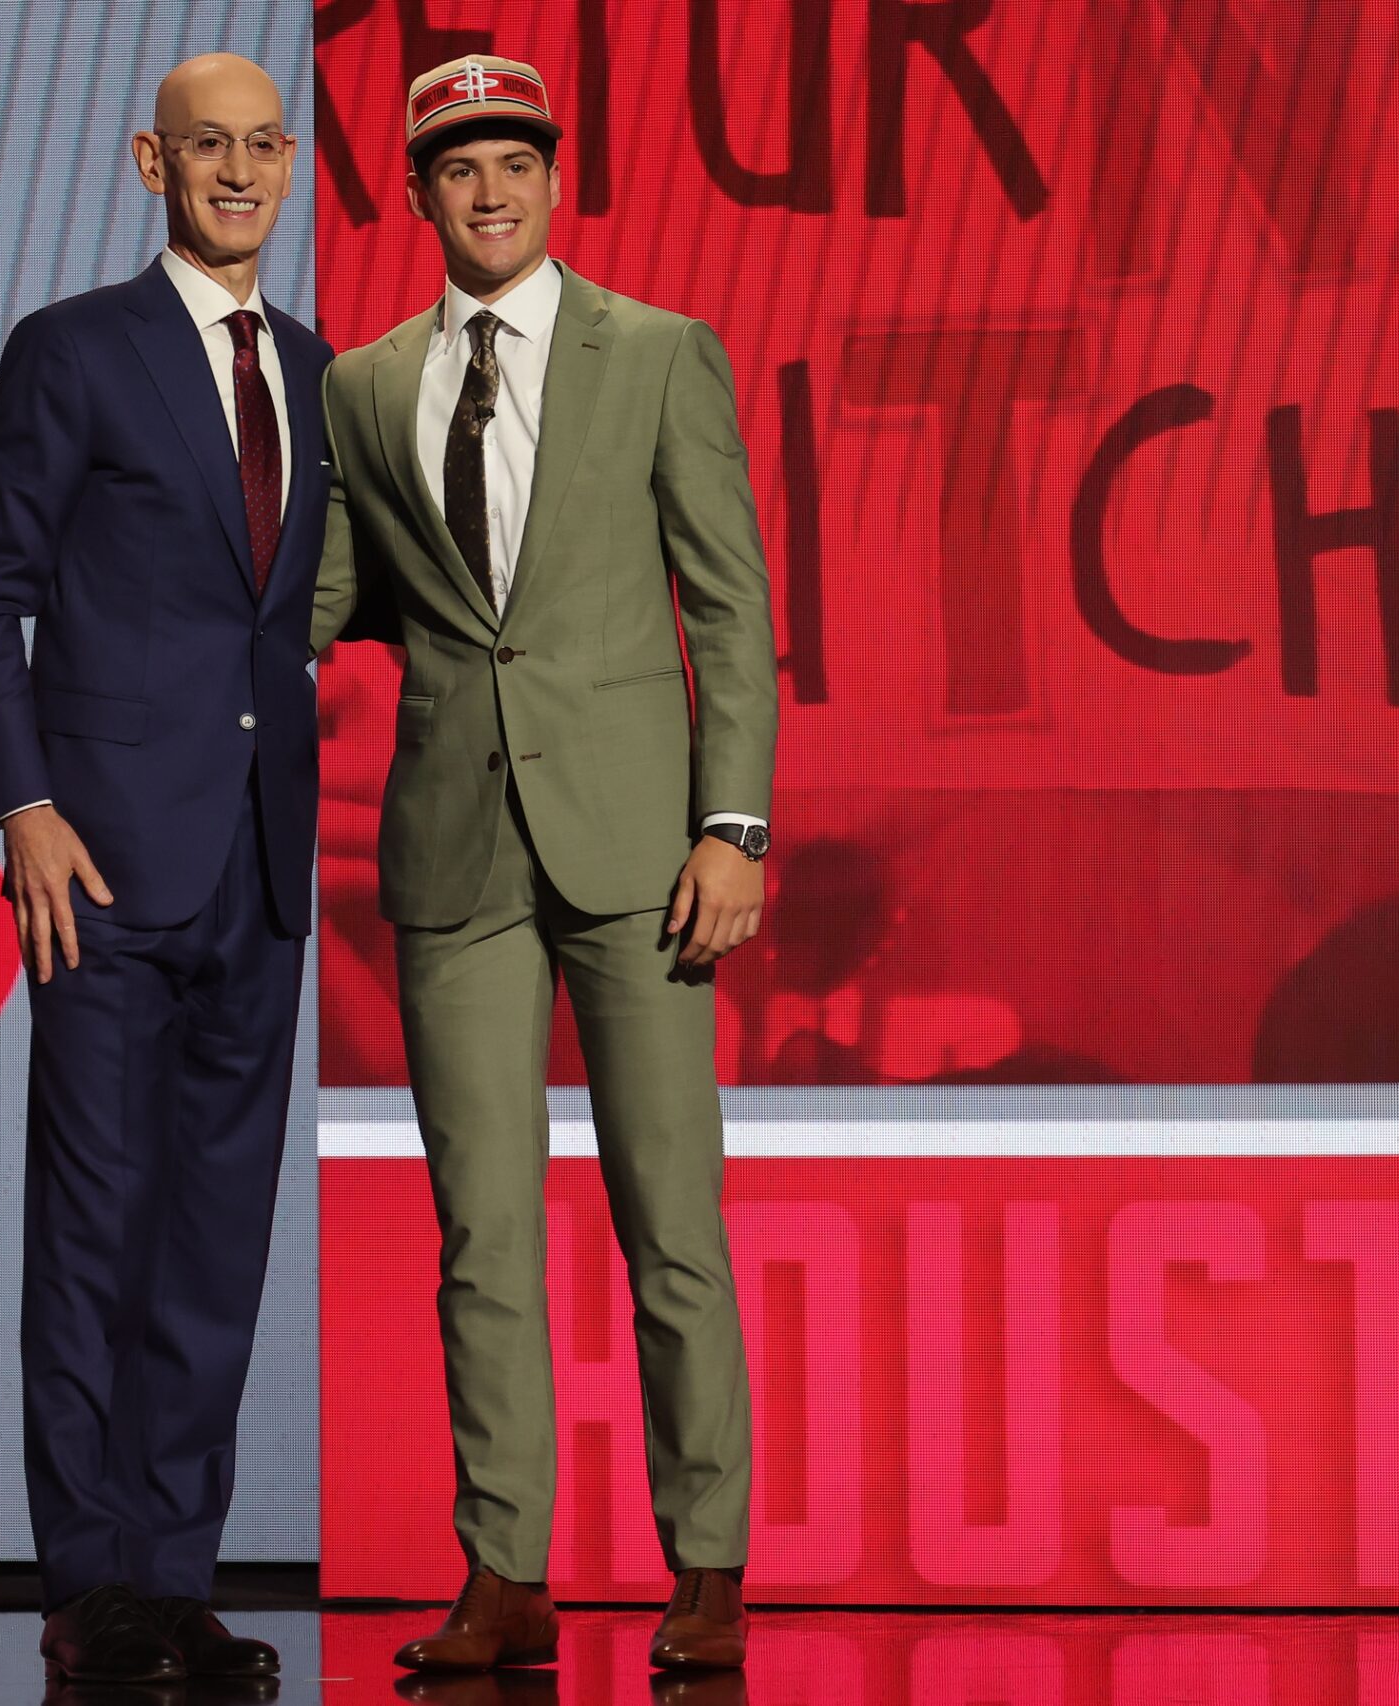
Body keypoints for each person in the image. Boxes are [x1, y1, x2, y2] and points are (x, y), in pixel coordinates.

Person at [312, 52, 779, 1676]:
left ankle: (706, 1562)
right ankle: (505, 1571)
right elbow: (331, 597)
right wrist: (153, 635)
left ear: (553, 179)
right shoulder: (365, 387)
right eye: (459, 167)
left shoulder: (656, 353)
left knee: (674, 1217)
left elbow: (728, 606)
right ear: (421, 193)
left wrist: (735, 825)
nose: (491, 189)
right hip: (455, 851)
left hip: (642, 850)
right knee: (479, 1230)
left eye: (515, 160)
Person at [0, 52, 324, 1688]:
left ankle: (176, 1575)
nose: (236, 173)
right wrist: (20, 804)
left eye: (261, 148)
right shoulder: (75, 347)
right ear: (146, 162)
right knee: (98, 1224)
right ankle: (94, 1578)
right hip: (93, 858)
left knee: (217, 1234)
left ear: (291, 165)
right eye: (205, 149)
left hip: (259, 859)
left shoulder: (312, 367)